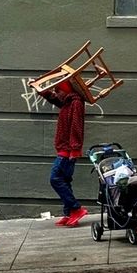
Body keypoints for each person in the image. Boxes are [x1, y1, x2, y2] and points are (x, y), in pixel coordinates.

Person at [38, 80, 89, 227]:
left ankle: (76, 209)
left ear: (66, 89)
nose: (57, 93)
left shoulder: (76, 103)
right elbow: (55, 99)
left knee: (56, 179)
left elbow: (76, 126)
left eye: (59, 89)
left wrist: (74, 149)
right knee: (64, 181)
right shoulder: (67, 101)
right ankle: (68, 213)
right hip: (65, 149)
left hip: (68, 151)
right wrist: (41, 90)